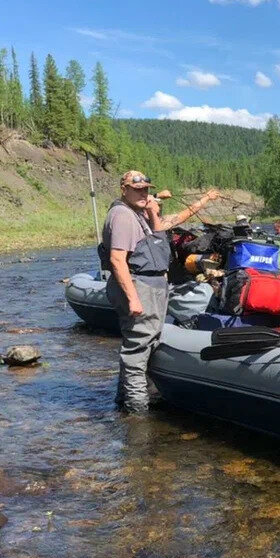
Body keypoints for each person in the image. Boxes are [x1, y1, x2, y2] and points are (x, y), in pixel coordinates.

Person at [101, 171, 172, 413]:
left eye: (146, 189)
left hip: (150, 286)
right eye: (137, 189)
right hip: (138, 286)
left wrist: (154, 209)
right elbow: (117, 259)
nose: (143, 193)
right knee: (138, 349)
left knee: (148, 343)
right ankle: (137, 413)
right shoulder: (122, 215)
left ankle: (123, 403)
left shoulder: (137, 212)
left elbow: (158, 234)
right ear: (124, 189)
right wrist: (133, 298)